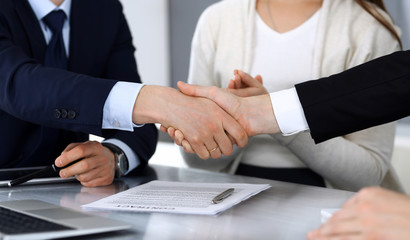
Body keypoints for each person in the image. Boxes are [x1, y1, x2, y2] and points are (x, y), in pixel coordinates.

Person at [0, 0, 248, 187]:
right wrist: (155, 102)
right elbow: (17, 84)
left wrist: (114, 156)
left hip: (67, 194)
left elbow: (138, 122)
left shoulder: (103, 9)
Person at [176, 0, 402, 191]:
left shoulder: (368, 29)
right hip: (228, 195)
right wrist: (237, 124)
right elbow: (195, 159)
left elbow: (368, 176)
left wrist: (272, 119)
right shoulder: (216, 20)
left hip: (330, 204)